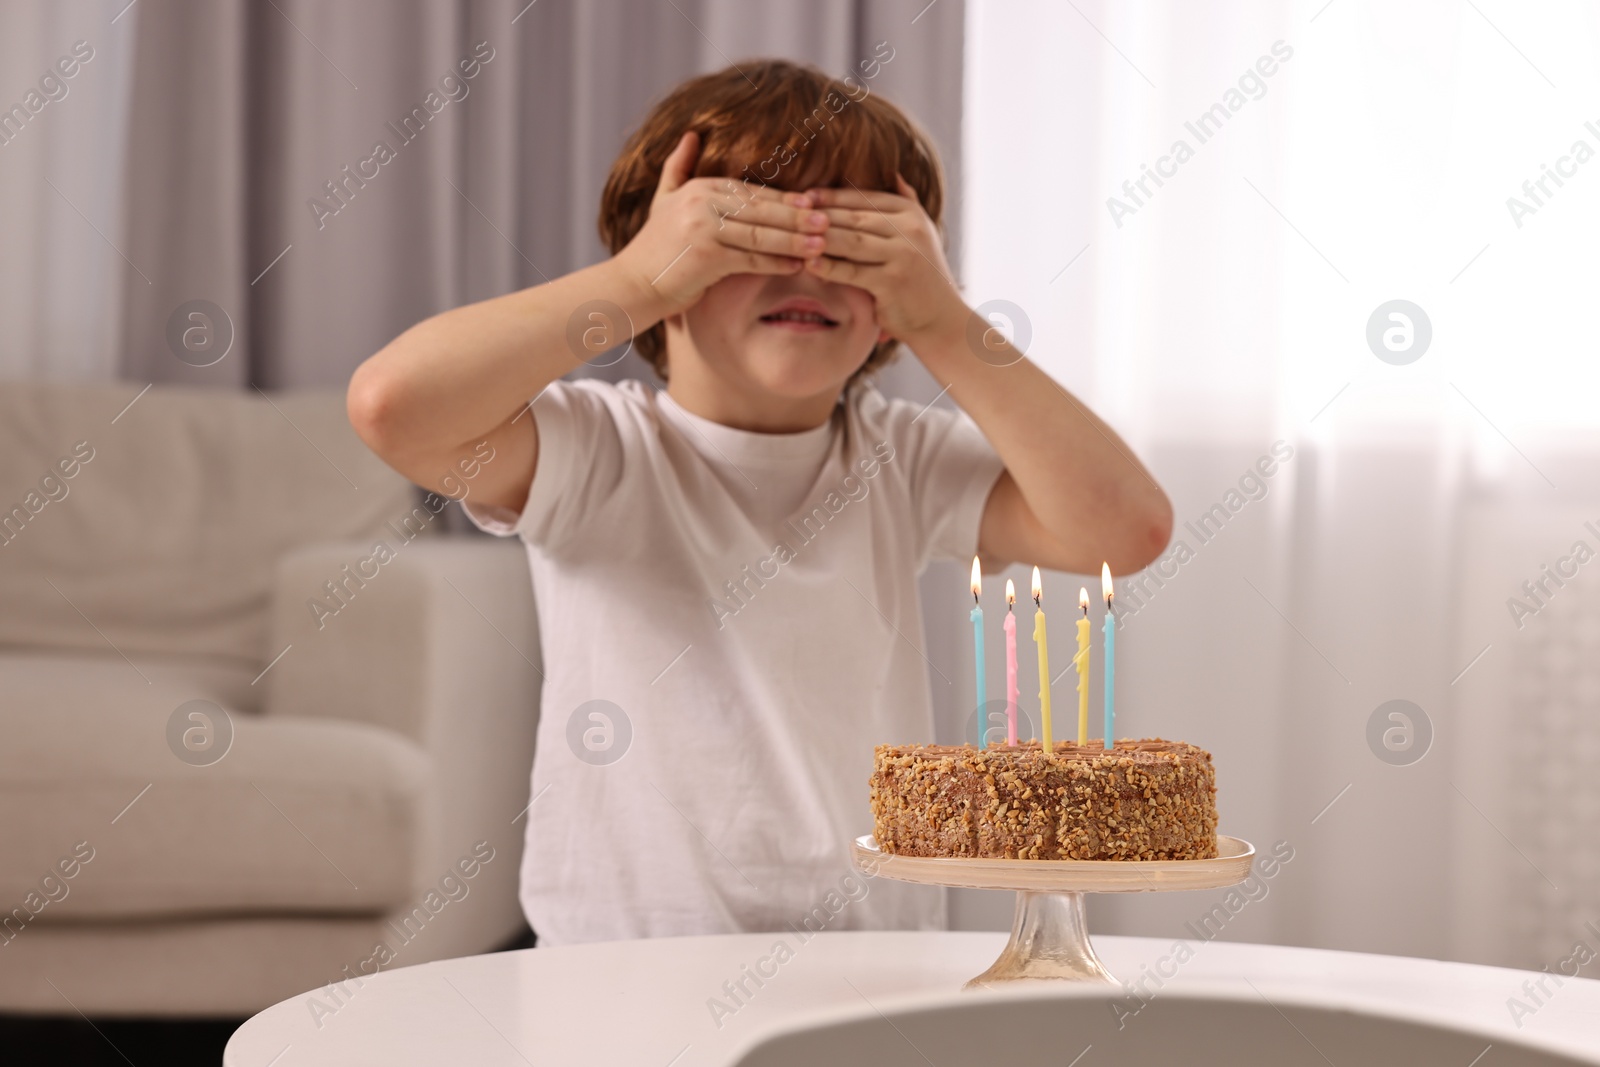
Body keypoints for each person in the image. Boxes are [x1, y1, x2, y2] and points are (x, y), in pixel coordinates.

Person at [347, 57, 1172, 946]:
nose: (808, 266)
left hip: (871, 962)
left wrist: (945, 319)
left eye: (855, 242)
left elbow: (1125, 529)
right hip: (622, 971)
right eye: (749, 236)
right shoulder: (599, 451)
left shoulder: (901, 460)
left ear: (891, 304)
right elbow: (393, 406)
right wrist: (636, 281)